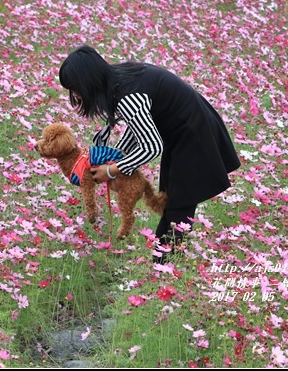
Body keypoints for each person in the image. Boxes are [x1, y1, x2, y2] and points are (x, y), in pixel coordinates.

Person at [59, 44, 240, 262]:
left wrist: (113, 169)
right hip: (181, 131)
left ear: (88, 82)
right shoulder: (117, 77)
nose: (75, 95)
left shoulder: (127, 96)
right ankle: (166, 264)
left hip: (193, 133)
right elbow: (140, 128)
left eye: (75, 89)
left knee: (178, 205)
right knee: (172, 200)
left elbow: (152, 146)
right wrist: (116, 155)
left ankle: (165, 267)